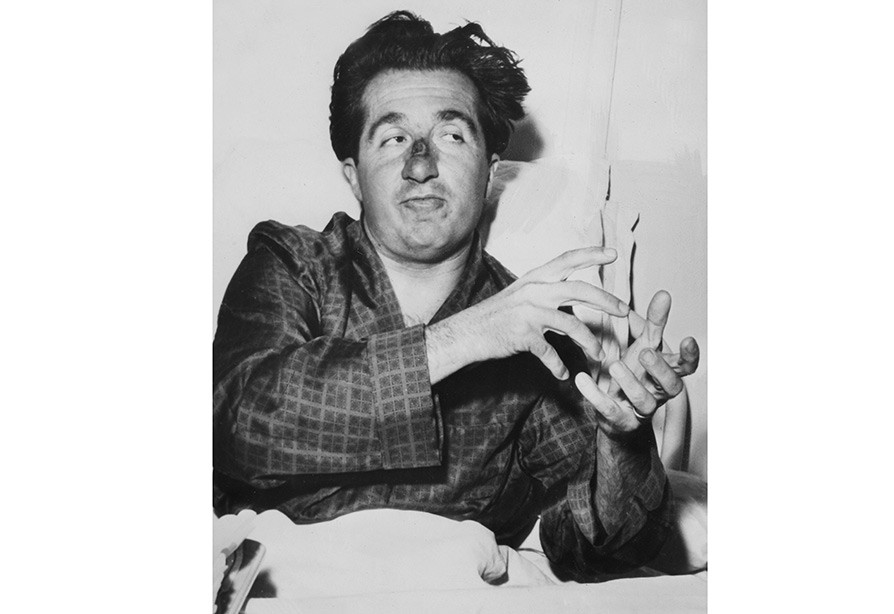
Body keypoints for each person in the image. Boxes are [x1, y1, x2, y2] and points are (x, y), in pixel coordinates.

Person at [213, 10, 700, 582]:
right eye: (394, 139)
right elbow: (237, 428)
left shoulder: (538, 327)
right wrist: (467, 336)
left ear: (490, 172)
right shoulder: (291, 263)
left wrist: (623, 443)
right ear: (353, 175)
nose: (420, 165)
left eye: (451, 136)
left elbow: (585, 545)